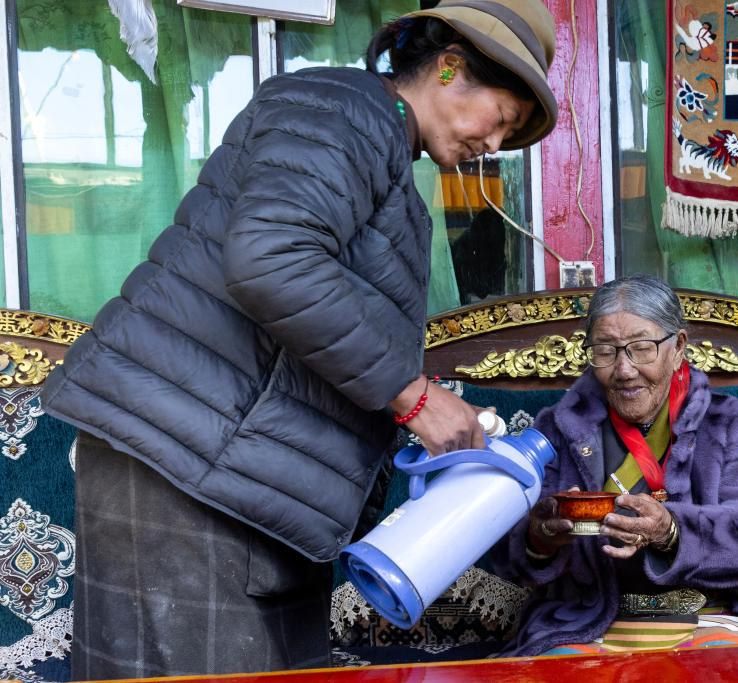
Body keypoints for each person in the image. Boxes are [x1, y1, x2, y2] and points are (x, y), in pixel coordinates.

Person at [40, 0, 557, 678]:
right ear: (450, 67)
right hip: (188, 462)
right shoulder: (343, 109)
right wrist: (413, 396)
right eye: (504, 118)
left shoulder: (380, 146)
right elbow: (272, 258)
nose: (496, 144)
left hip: (239, 477)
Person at [493, 274, 738, 656]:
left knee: (727, 666)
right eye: (605, 351)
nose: (624, 370)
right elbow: (511, 555)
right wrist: (540, 538)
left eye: (641, 348)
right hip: (592, 616)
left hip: (713, 611)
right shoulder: (559, 428)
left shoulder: (724, 422)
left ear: (678, 346)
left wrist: (670, 531)